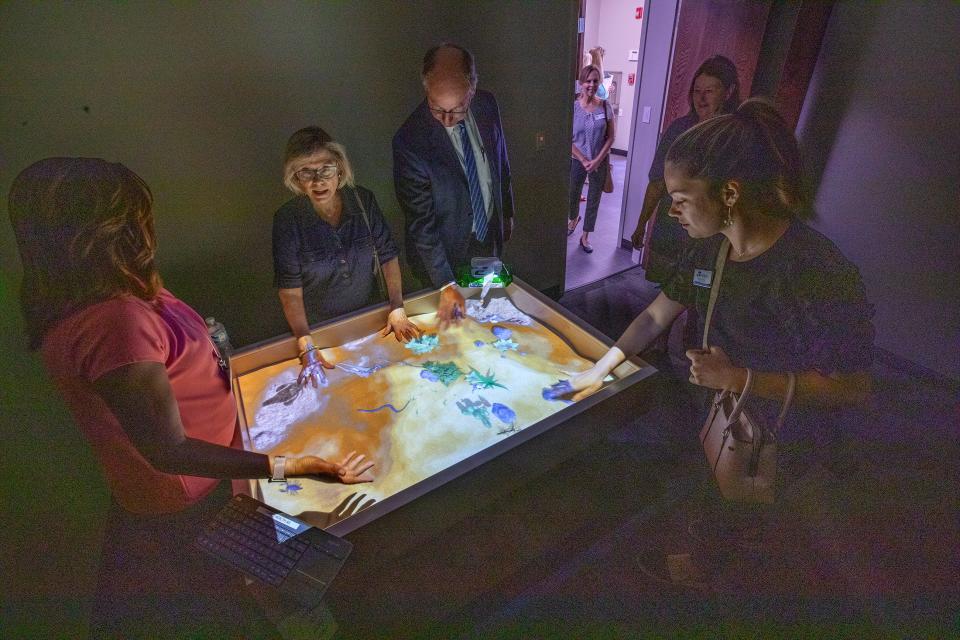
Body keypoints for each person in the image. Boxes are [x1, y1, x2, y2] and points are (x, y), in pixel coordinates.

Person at [8, 157, 375, 638]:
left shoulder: (117, 288)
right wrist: (290, 465)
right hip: (197, 495)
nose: (149, 228)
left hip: (220, 465)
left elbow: (171, 351)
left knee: (266, 573)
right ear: (103, 236)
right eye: (139, 218)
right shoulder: (113, 319)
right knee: (253, 584)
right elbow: (168, 451)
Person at [568, 98, 874, 450]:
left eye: (681, 199)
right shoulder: (710, 246)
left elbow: (852, 387)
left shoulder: (814, 270)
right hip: (713, 412)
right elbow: (655, 316)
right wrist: (600, 367)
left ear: (729, 193)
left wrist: (736, 378)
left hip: (774, 439)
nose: (671, 212)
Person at [273, 126, 420, 387]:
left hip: (373, 319)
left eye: (325, 169)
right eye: (306, 172)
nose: (318, 181)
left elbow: (388, 256)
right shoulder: (287, 220)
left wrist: (397, 307)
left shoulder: (362, 201)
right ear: (295, 177)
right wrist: (305, 343)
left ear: (339, 169)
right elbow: (290, 290)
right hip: (323, 333)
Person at [393, 43, 515, 327]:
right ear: (426, 90)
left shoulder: (487, 104)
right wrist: (445, 283)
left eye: (457, 109)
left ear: (472, 88)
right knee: (453, 328)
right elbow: (421, 223)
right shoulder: (409, 141)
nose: (447, 120)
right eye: (437, 109)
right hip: (443, 254)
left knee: (487, 316)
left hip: (488, 237)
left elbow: (501, 162)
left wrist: (507, 212)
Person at [630, 55, 740, 285]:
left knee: (700, 293)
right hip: (672, 229)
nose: (701, 98)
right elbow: (657, 182)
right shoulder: (679, 130)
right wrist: (641, 224)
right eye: (696, 90)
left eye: (709, 91)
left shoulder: (736, 135)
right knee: (666, 288)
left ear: (728, 92)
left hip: (711, 234)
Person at [568, 64, 616, 253]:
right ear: (581, 83)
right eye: (588, 80)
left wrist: (596, 161)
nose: (591, 84)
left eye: (595, 81)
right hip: (576, 160)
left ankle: (586, 236)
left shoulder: (605, 106)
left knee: (594, 198)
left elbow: (611, 137)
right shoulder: (572, 108)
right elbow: (566, 137)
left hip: (599, 160)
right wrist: (582, 158)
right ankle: (573, 218)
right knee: (573, 194)